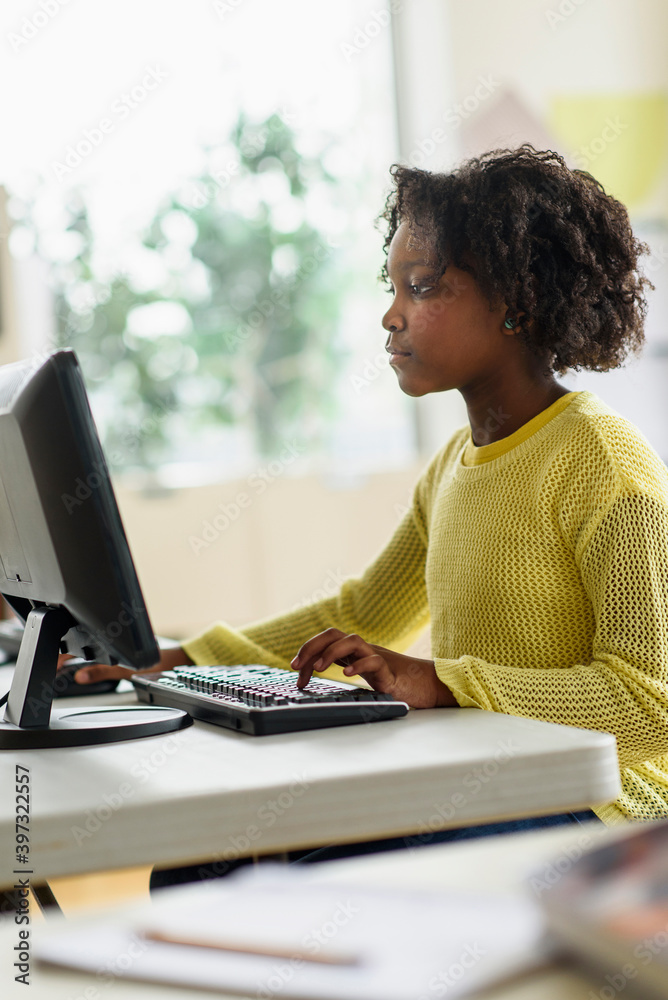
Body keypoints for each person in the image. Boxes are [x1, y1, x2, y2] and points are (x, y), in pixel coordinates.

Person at [70, 145, 668, 864]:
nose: (391, 316)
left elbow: (649, 705)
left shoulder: (603, 464)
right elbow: (362, 614)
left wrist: (439, 680)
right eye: (393, 288)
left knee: (313, 865)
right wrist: (185, 657)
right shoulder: (454, 464)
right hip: (492, 777)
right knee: (214, 848)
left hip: (599, 809)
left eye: (420, 288)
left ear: (515, 302)